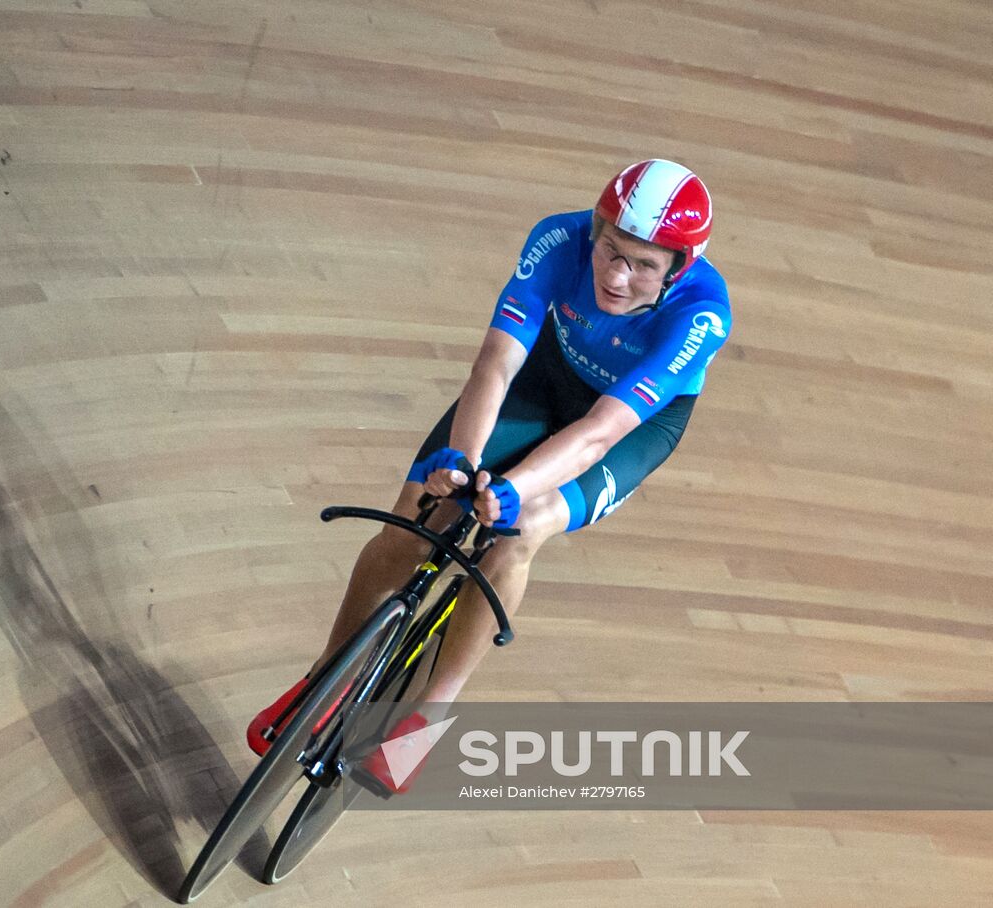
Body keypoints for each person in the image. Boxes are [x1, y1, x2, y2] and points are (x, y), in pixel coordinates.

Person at [247, 159, 732, 792]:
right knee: (419, 510)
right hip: (543, 377)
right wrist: (462, 461)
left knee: (521, 527)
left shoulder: (701, 316)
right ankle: (323, 682)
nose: (616, 275)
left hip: (627, 425)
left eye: (642, 265)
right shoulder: (560, 241)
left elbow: (598, 434)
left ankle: (430, 713)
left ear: (677, 269)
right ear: (595, 227)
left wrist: (512, 489)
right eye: (610, 249)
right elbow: (497, 366)